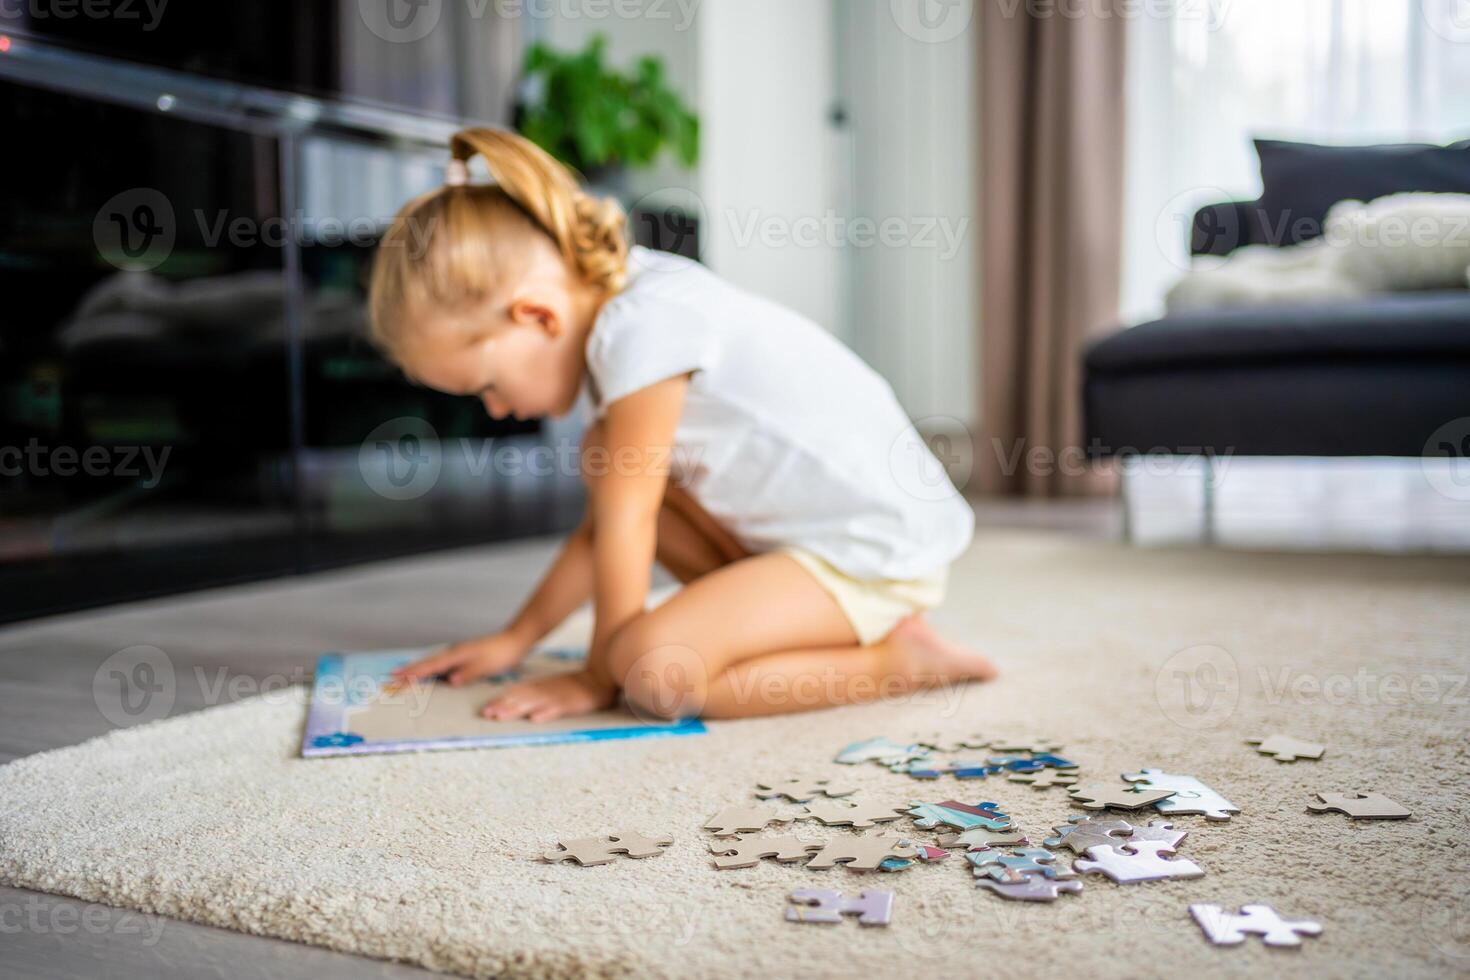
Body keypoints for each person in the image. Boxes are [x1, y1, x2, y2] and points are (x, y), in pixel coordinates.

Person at [373, 128, 995, 722]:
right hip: (809, 541)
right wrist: (517, 637)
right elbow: (602, 532)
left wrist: (599, 674)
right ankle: (810, 631)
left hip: (871, 552)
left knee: (651, 672)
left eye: (486, 386)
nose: (497, 408)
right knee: (606, 459)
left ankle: (896, 659)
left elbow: (628, 521)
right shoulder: (629, 307)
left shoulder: (642, 329)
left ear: (537, 315)